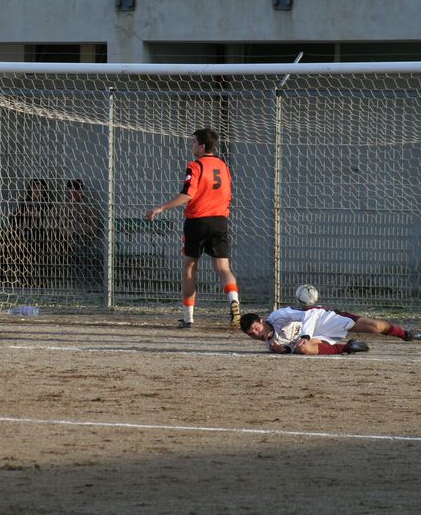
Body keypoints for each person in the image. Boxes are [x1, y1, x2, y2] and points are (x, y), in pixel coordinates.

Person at [145, 128, 241, 329]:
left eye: (194, 142)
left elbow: (188, 194)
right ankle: (234, 301)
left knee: (189, 267)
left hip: (197, 221)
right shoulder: (223, 166)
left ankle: (188, 318)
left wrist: (162, 207)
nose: (192, 145)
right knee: (223, 268)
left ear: (202, 146)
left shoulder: (195, 166)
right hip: (219, 220)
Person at [240, 307, 420, 355]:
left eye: (256, 328)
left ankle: (406, 334)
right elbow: (292, 347)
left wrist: (305, 335)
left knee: (376, 327)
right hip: (316, 337)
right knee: (303, 349)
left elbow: (310, 313)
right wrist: (286, 350)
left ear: (262, 321)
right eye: (251, 334)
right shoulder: (271, 345)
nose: (256, 334)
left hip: (325, 320)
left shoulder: (278, 316)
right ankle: (348, 347)